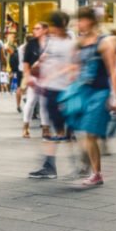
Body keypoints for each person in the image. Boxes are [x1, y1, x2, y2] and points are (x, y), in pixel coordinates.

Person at [62, 7, 116, 186]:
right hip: (83, 91)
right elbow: (75, 68)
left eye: (80, 20)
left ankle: (95, 172)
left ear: (91, 21)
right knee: (84, 133)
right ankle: (94, 171)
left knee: (89, 132)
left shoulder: (104, 42)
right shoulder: (79, 43)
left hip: (100, 92)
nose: (77, 24)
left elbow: (113, 72)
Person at [28, 11, 76, 179]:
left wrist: (57, 75)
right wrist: (38, 66)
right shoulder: (52, 41)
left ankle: (74, 165)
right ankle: (51, 165)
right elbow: (45, 59)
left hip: (63, 90)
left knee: (63, 130)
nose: (51, 29)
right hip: (49, 88)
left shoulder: (71, 42)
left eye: (53, 25)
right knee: (55, 128)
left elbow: (74, 66)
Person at [22, 23, 51, 139]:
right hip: (34, 76)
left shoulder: (51, 43)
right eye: (34, 28)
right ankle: (25, 127)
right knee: (31, 101)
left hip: (47, 77)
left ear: (45, 30)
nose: (34, 30)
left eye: (37, 28)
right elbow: (26, 63)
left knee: (44, 103)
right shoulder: (31, 44)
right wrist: (27, 77)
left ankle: (45, 129)